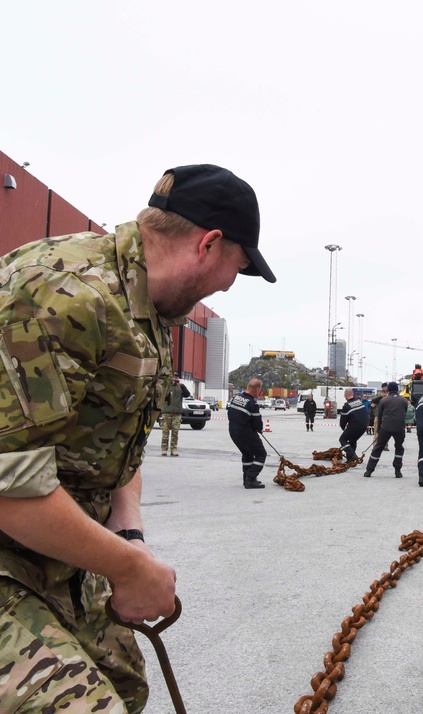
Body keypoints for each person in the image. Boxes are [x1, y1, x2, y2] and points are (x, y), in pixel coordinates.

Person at [0, 163, 274, 712]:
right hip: (11, 545)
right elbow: (10, 484)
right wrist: (131, 570)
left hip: (57, 550)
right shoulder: (65, 295)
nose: (227, 285)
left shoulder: (147, 313)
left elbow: (119, 453)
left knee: (124, 684)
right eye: (236, 269)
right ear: (210, 244)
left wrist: (130, 541)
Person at [363, 382, 409, 478]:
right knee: (399, 448)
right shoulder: (404, 401)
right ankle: (397, 471)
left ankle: (369, 470)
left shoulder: (384, 400)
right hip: (399, 428)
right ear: (397, 389)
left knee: (378, 448)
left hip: (386, 427)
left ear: (388, 390)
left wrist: (379, 431)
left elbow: (379, 416)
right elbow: (404, 414)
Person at [228, 379, 267, 489]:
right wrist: (259, 429)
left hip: (233, 432)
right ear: (257, 389)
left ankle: (246, 479)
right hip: (246, 433)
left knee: (247, 454)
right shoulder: (251, 403)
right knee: (261, 454)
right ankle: (251, 478)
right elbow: (257, 422)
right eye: (260, 390)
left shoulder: (236, 398)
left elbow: (230, 414)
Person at [159, 373, 191, 456]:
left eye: (176, 377)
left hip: (176, 413)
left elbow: (187, 394)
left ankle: (174, 449)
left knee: (175, 432)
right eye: (173, 377)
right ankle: (164, 449)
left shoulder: (180, 387)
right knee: (165, 432)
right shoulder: (166, 386)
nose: (175, 378)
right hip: (166, 412)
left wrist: (182, 386)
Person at [338, 388, 369, 462]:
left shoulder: (347, 406)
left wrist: (343, 428)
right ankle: (350, 459)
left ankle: (352, 455)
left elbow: (343, 421)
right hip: (364, 426)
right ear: (353, 395)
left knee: (342, 439)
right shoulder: (359, 402)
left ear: (345, 395)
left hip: (355, 426)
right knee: (353, 440)